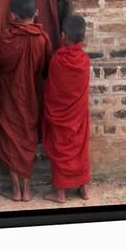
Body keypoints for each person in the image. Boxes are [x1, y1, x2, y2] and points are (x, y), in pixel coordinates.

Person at [0, 0, 52, 202]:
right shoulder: (43, 39)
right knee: (27, 138)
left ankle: (16, 190)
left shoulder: (3, 39)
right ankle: (28, 189)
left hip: (8, 95)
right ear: (36, 12)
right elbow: (45, 69)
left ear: (12, 16)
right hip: (31, 95)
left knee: (10, 137)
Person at [43, 14, 91, 203]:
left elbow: (52, 89)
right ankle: (84, 189)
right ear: (83, 38)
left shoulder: (57, 60)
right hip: (78, 115)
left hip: (60, 115)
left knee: (60, 148)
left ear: (62, 35)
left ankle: (60, 193)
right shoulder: (85, 61)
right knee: (80, 149)